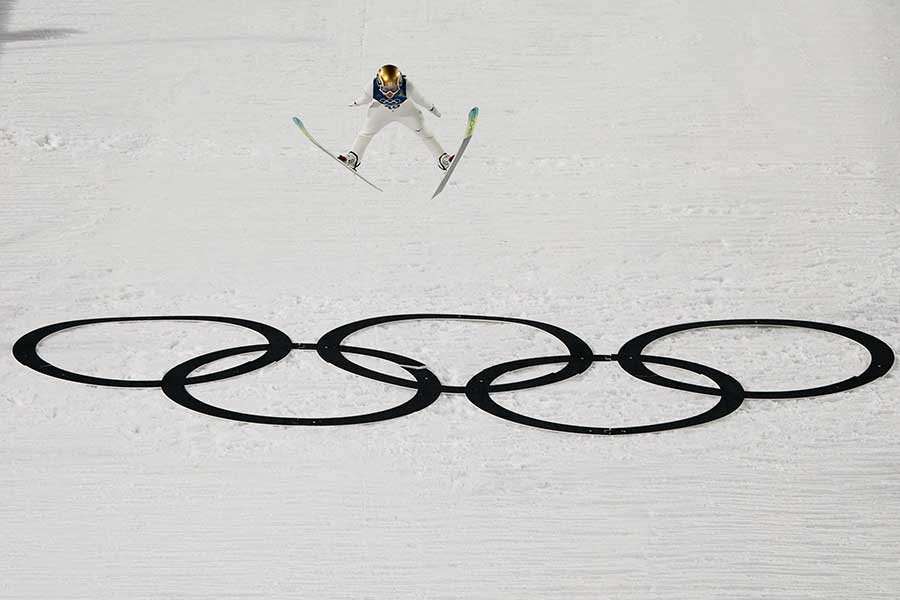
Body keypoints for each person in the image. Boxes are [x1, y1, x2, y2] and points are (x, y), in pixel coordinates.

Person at [338, 65, 454, 171]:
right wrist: (355, 103)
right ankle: (353, 158)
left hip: (406, 111)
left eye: (393, 89)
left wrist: (432, 109)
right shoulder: (371, 86)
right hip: (381, 111)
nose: (389, 93)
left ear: (400, 82)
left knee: (425, 133)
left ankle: (442, 159)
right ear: (379, 83)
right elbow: (365, 99)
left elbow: (421, 100)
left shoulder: (408, 86)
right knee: (365, 133)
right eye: (385, 89)